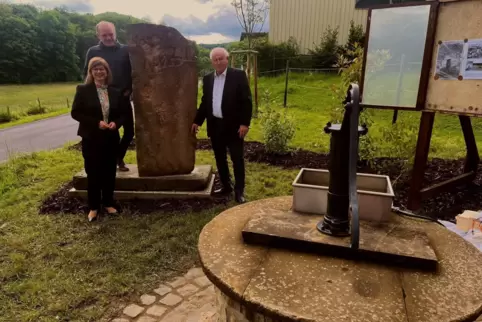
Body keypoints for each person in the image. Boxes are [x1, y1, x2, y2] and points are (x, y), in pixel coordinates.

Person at [191, 47, 253, 203]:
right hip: (215, 125)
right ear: (212, 62)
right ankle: (226, 186)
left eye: (221, 58)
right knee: (220, 159)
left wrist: (244, 123)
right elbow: (205, 102)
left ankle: (239, 191)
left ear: (227, 58)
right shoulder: (208, 79)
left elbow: (246, 101)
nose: (218, 62)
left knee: (237, 159)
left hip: (234, 126)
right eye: (215, 59)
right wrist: (197, 121)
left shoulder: (238, 75)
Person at [72, 57, 128, 222]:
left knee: (109, 172)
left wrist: (115, 123)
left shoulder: (115, 91)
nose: (99, 72)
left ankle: (109, 203)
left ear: (107, 71)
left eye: (101, 69)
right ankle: (94, 207)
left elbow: (124, 114)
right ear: (91, 72)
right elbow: (76, 113)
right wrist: (96, 123)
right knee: (93, 173)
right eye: (95, 69)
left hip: (110, 138)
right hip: (92, 138)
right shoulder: (83, 90)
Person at [84, 20, 133, 172]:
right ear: (98, 35)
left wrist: (130, 90)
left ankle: (118, 157)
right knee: (108, 132)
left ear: (115, 33)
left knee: (129, 131)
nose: (108, 37)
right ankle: (108, 162)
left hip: (123, 98)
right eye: (104, 35)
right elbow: (86, 73)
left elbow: (135, 72)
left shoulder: (126, 50)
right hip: (102, 98)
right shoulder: (93, 51)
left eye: (110, 34)